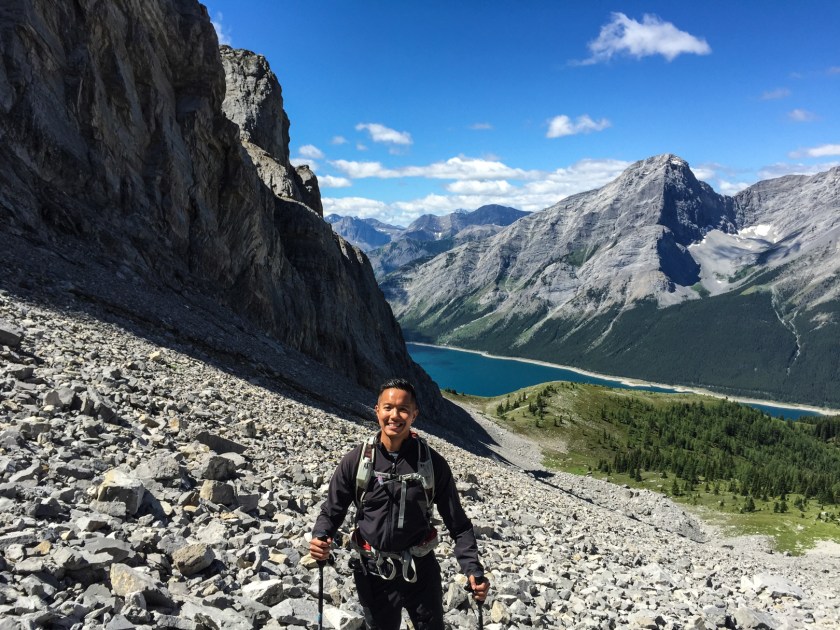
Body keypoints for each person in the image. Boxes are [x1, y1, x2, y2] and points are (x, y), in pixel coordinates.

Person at [310, 378, 489, 629]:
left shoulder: (432, 465)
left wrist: (473, 569)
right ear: (377, 410)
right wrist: (321, 535)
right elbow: (332, 510)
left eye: (403, 409)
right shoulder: (357, 461)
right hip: (373, 570)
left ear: (414, 414)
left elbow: (458, 525)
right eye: (388, 408)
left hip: (421, 571)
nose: (395, 415)